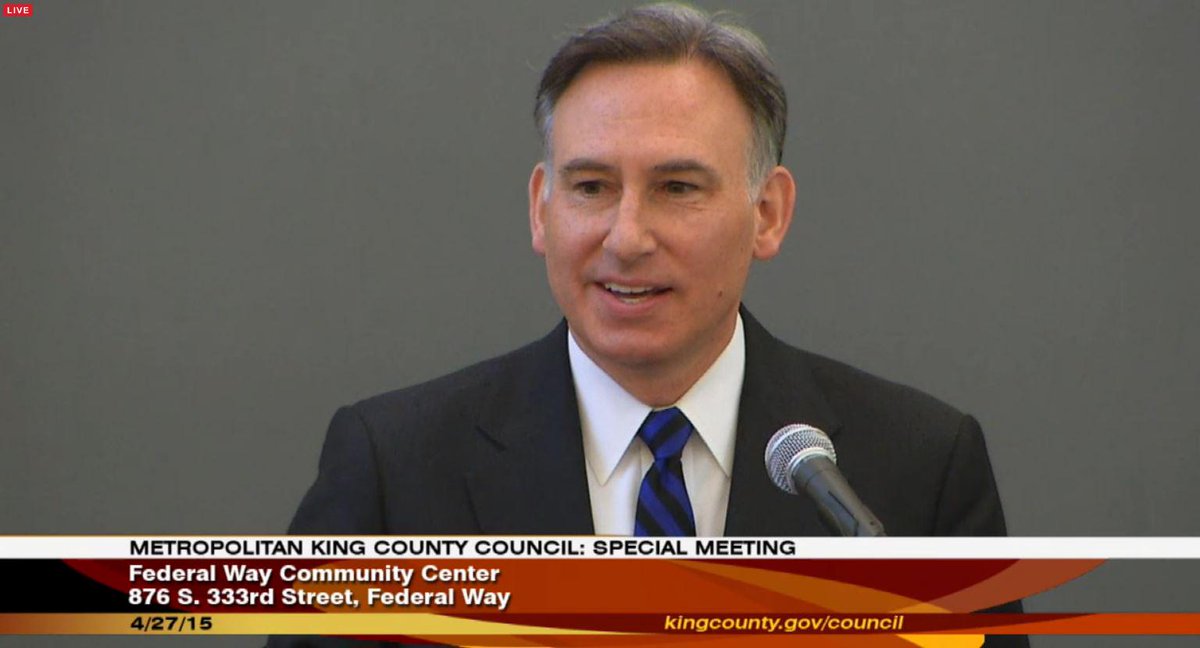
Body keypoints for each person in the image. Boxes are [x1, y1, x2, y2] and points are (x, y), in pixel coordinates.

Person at [275, 4, 1027, 647]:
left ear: (767, 214)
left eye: (677, 187)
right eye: (591, 187)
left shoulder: (915, 473)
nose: (627, 237)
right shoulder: (394, 474)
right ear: (541, 209)